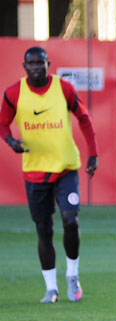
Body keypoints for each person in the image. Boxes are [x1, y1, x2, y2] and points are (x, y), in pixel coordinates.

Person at [0, 46, 98, 303]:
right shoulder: (14, 93)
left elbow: (84, 118)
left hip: (66, 167)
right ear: (24, 66)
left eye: (40, 62)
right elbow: (2, 123)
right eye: (31, 63)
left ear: (48, 64)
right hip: (35, 171)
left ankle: (72, 275)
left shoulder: (63, 88)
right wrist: (11, 141)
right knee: (44, 228)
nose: (36, 67)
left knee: (70, 220)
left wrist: (93, 153)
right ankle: (51, 288)